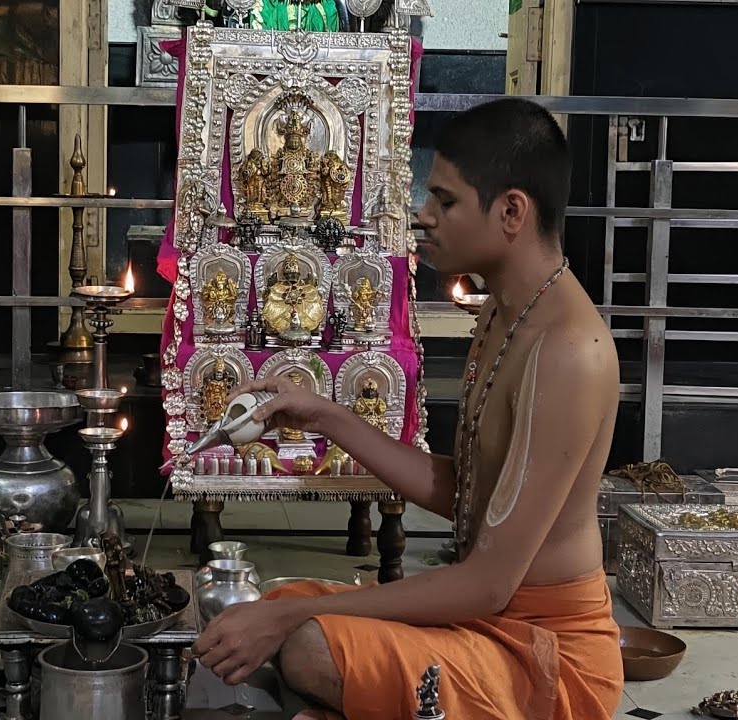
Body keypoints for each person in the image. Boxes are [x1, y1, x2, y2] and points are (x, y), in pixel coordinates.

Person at [191, 97, 624, 720]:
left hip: (545, 660)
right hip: (485, 622)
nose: (424, 216)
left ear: (511, 211)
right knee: (264, 606)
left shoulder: (568, 351)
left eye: (445, 201)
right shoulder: (506, 312)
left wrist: (293, 615)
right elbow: (466, 493)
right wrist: (324, 415)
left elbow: (488, 583)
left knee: (306, 641)